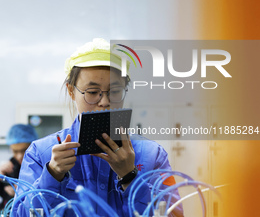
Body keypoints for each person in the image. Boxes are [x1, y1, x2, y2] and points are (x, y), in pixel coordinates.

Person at [12, 39, 183, 216]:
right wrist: (52, 175)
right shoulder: (41, 154)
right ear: (71, 91)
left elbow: (173, 214)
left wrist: (130, 177)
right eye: (92, 92)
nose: (105, 102)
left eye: (115, 91)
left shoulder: (151, 155)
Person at [0, 124, 38, 210]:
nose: (19, 156)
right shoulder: (11, 164)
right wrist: (0, 177)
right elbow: (1, 193)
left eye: (24, 150)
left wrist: (20, 192)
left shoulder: (38, 165)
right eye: (15, 151)